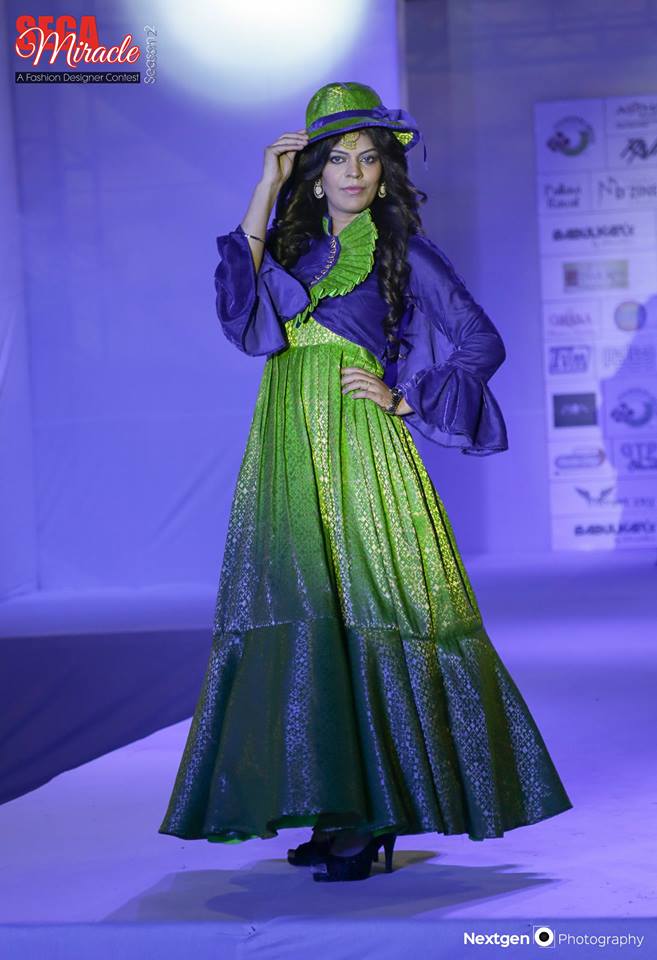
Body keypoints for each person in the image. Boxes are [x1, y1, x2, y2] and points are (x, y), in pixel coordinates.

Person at [158, 82, 573, 883]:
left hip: (359, 447)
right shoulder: (287, 249)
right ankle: (335, 807)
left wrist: (404, 396)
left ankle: (372, 814)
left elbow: (479, 340)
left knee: (373, 609)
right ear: (313, 174)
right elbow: (240, 321)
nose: (354, 171)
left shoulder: (401, 250)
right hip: (285, 442)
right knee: (308, 616)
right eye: (338, 159)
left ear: (385, 174)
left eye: (369, 158)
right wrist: (263, 189)